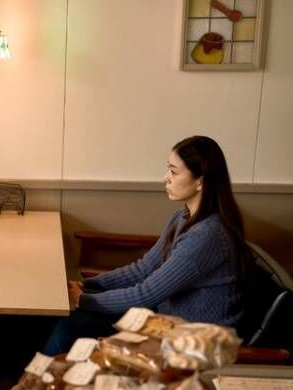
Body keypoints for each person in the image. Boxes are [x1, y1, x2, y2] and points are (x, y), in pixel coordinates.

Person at [44, 135, 251, 355]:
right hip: (166, 322)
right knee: (67, 318)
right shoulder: (182, 217)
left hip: (194, 341)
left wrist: (82, 299)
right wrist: (88, 285)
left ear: (201, 182)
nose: (165, 178)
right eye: (167, 169)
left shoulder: (207, 236)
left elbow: (147, 294)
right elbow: (143, 269)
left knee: (70, 327)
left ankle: (37, 375)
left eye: (174, 172)